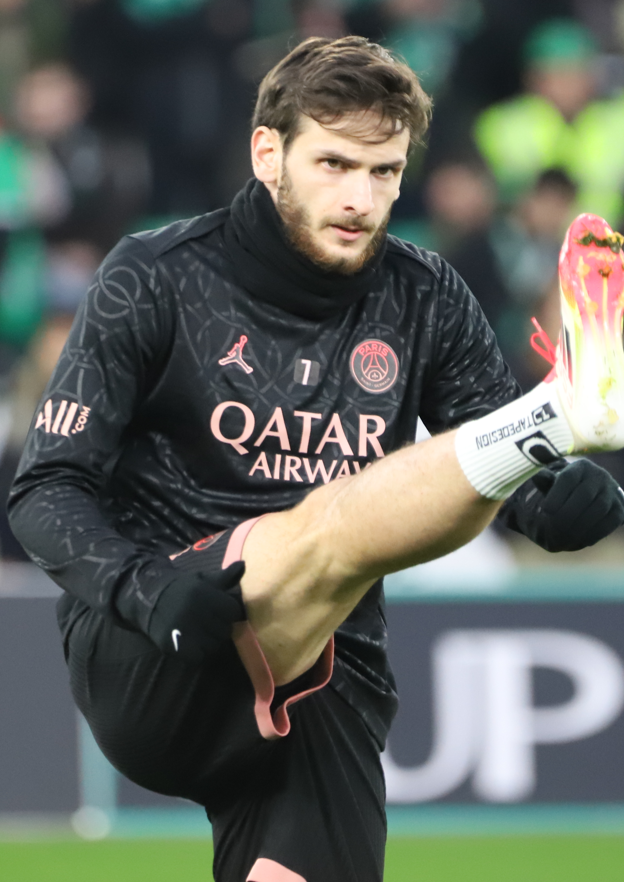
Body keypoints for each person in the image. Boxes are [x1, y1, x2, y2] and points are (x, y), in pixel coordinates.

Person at [8, 36, 624, 882]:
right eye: (334, 163)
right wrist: (144, 589)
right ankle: (554, 413)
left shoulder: (427, 295)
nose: (360, 198)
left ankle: (551, 426)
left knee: (412, 500)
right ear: (268, 153)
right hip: (155, 644)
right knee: (333, 523)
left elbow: (512, 493)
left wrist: (558, 499)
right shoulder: (152, 276)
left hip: (329, 675)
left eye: (384, 171)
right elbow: (45, 489)